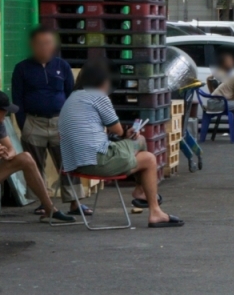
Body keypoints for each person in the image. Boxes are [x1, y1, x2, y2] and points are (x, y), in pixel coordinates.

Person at [59, 61, 182, 227]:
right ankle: (152, 208)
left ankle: (142, 193)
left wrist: (122, 135)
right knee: (147, 155)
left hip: (74, 164)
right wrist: (127, 133)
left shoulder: (72, 98)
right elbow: (117, 130)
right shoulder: (98, 97)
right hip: (97, 161)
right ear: (102, 81)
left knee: (141, 151)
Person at [12, 26, 88, 216]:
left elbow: (71, 95)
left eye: (48, 43)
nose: (45, 47)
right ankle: (43, 202)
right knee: (35, 166)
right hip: (34, 122)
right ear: (33, 46)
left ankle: (74, 203)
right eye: (40, 44)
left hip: (59, 121)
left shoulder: (62, 66)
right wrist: (24, 125)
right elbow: (17, 99)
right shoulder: (21, 68)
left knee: (68, 163)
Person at [0, 91, 75, 223]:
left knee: (26, 157)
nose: (7, 114)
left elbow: (11, 149)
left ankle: (49, 208)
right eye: (5, 111)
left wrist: (6, 154)